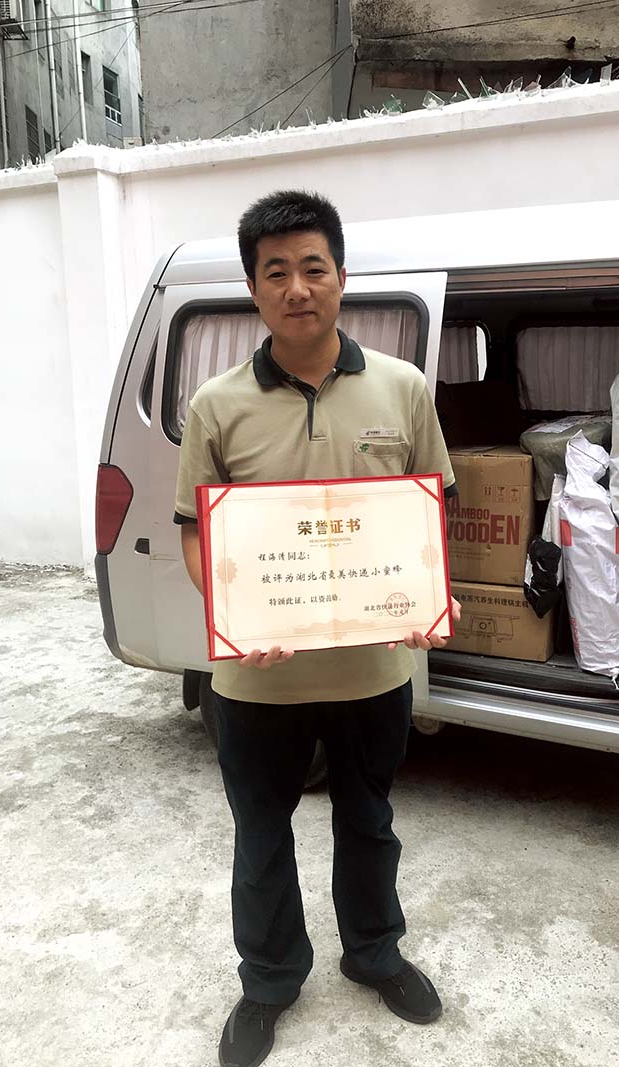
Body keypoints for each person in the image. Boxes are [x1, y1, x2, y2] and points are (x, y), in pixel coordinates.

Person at [174, 190, 460, 1067]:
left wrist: (425, 596)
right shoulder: (215, 406)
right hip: (257, 680)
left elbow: (430, 510)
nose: (297, 288)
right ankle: (269, 980)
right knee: (261, 835)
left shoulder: (402, 388)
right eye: (276, 272)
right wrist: (235, 614)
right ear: (253, 289)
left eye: (313, 268)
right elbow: (196, 535)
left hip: (372, 672)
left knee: (369, 820)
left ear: (341, 277)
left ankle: (374, 952)